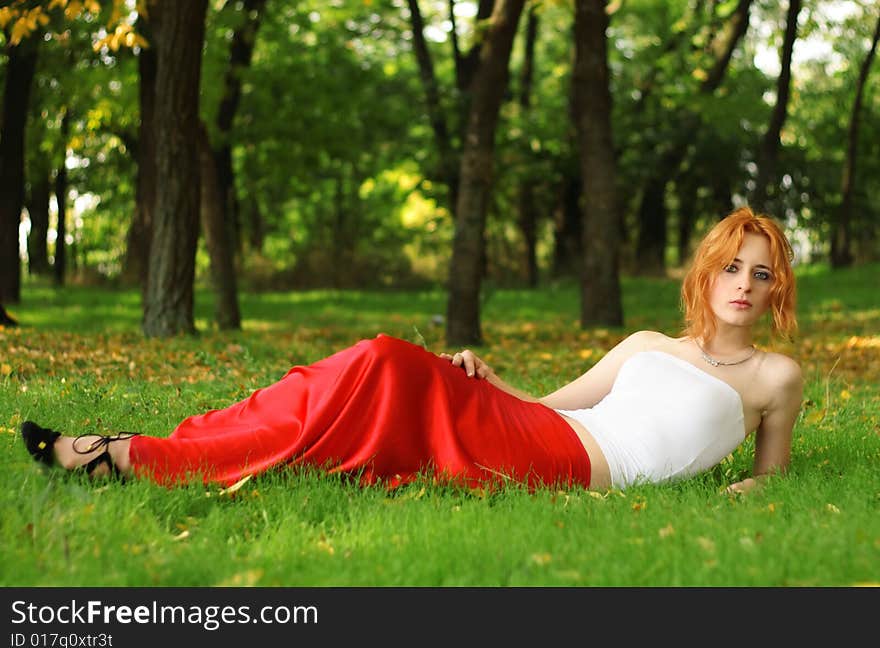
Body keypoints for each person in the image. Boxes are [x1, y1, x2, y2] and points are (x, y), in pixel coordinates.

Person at [21, 207, 802, 495]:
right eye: (731, 265)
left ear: (775, 290)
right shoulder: (647, 343)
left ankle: (134, 456)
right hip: (547, 432)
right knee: (367, 367)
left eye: (759, 274)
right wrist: (493, 383)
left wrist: (750, 494)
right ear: (707, 270)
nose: (742, 283)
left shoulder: (775, 376)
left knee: (379, 366)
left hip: (577, 469)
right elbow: (554, 406)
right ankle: (154, 449)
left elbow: (774, 477)